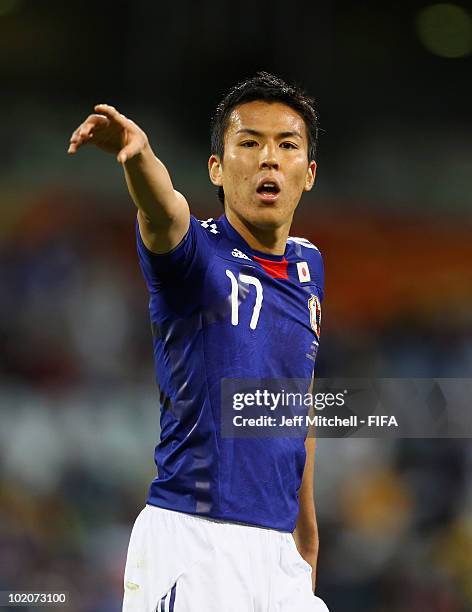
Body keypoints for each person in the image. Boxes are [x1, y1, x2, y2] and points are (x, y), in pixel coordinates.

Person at [68, 72, 330, 612]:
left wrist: (305, 531)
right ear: (217, 166)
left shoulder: (309, 266)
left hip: (280, 553)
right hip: (194, 540)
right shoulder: (195, 260)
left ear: (308, 173)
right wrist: (137, 157)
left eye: (287, 145)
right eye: (249, 143)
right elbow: (163, 211)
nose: (269, 159)